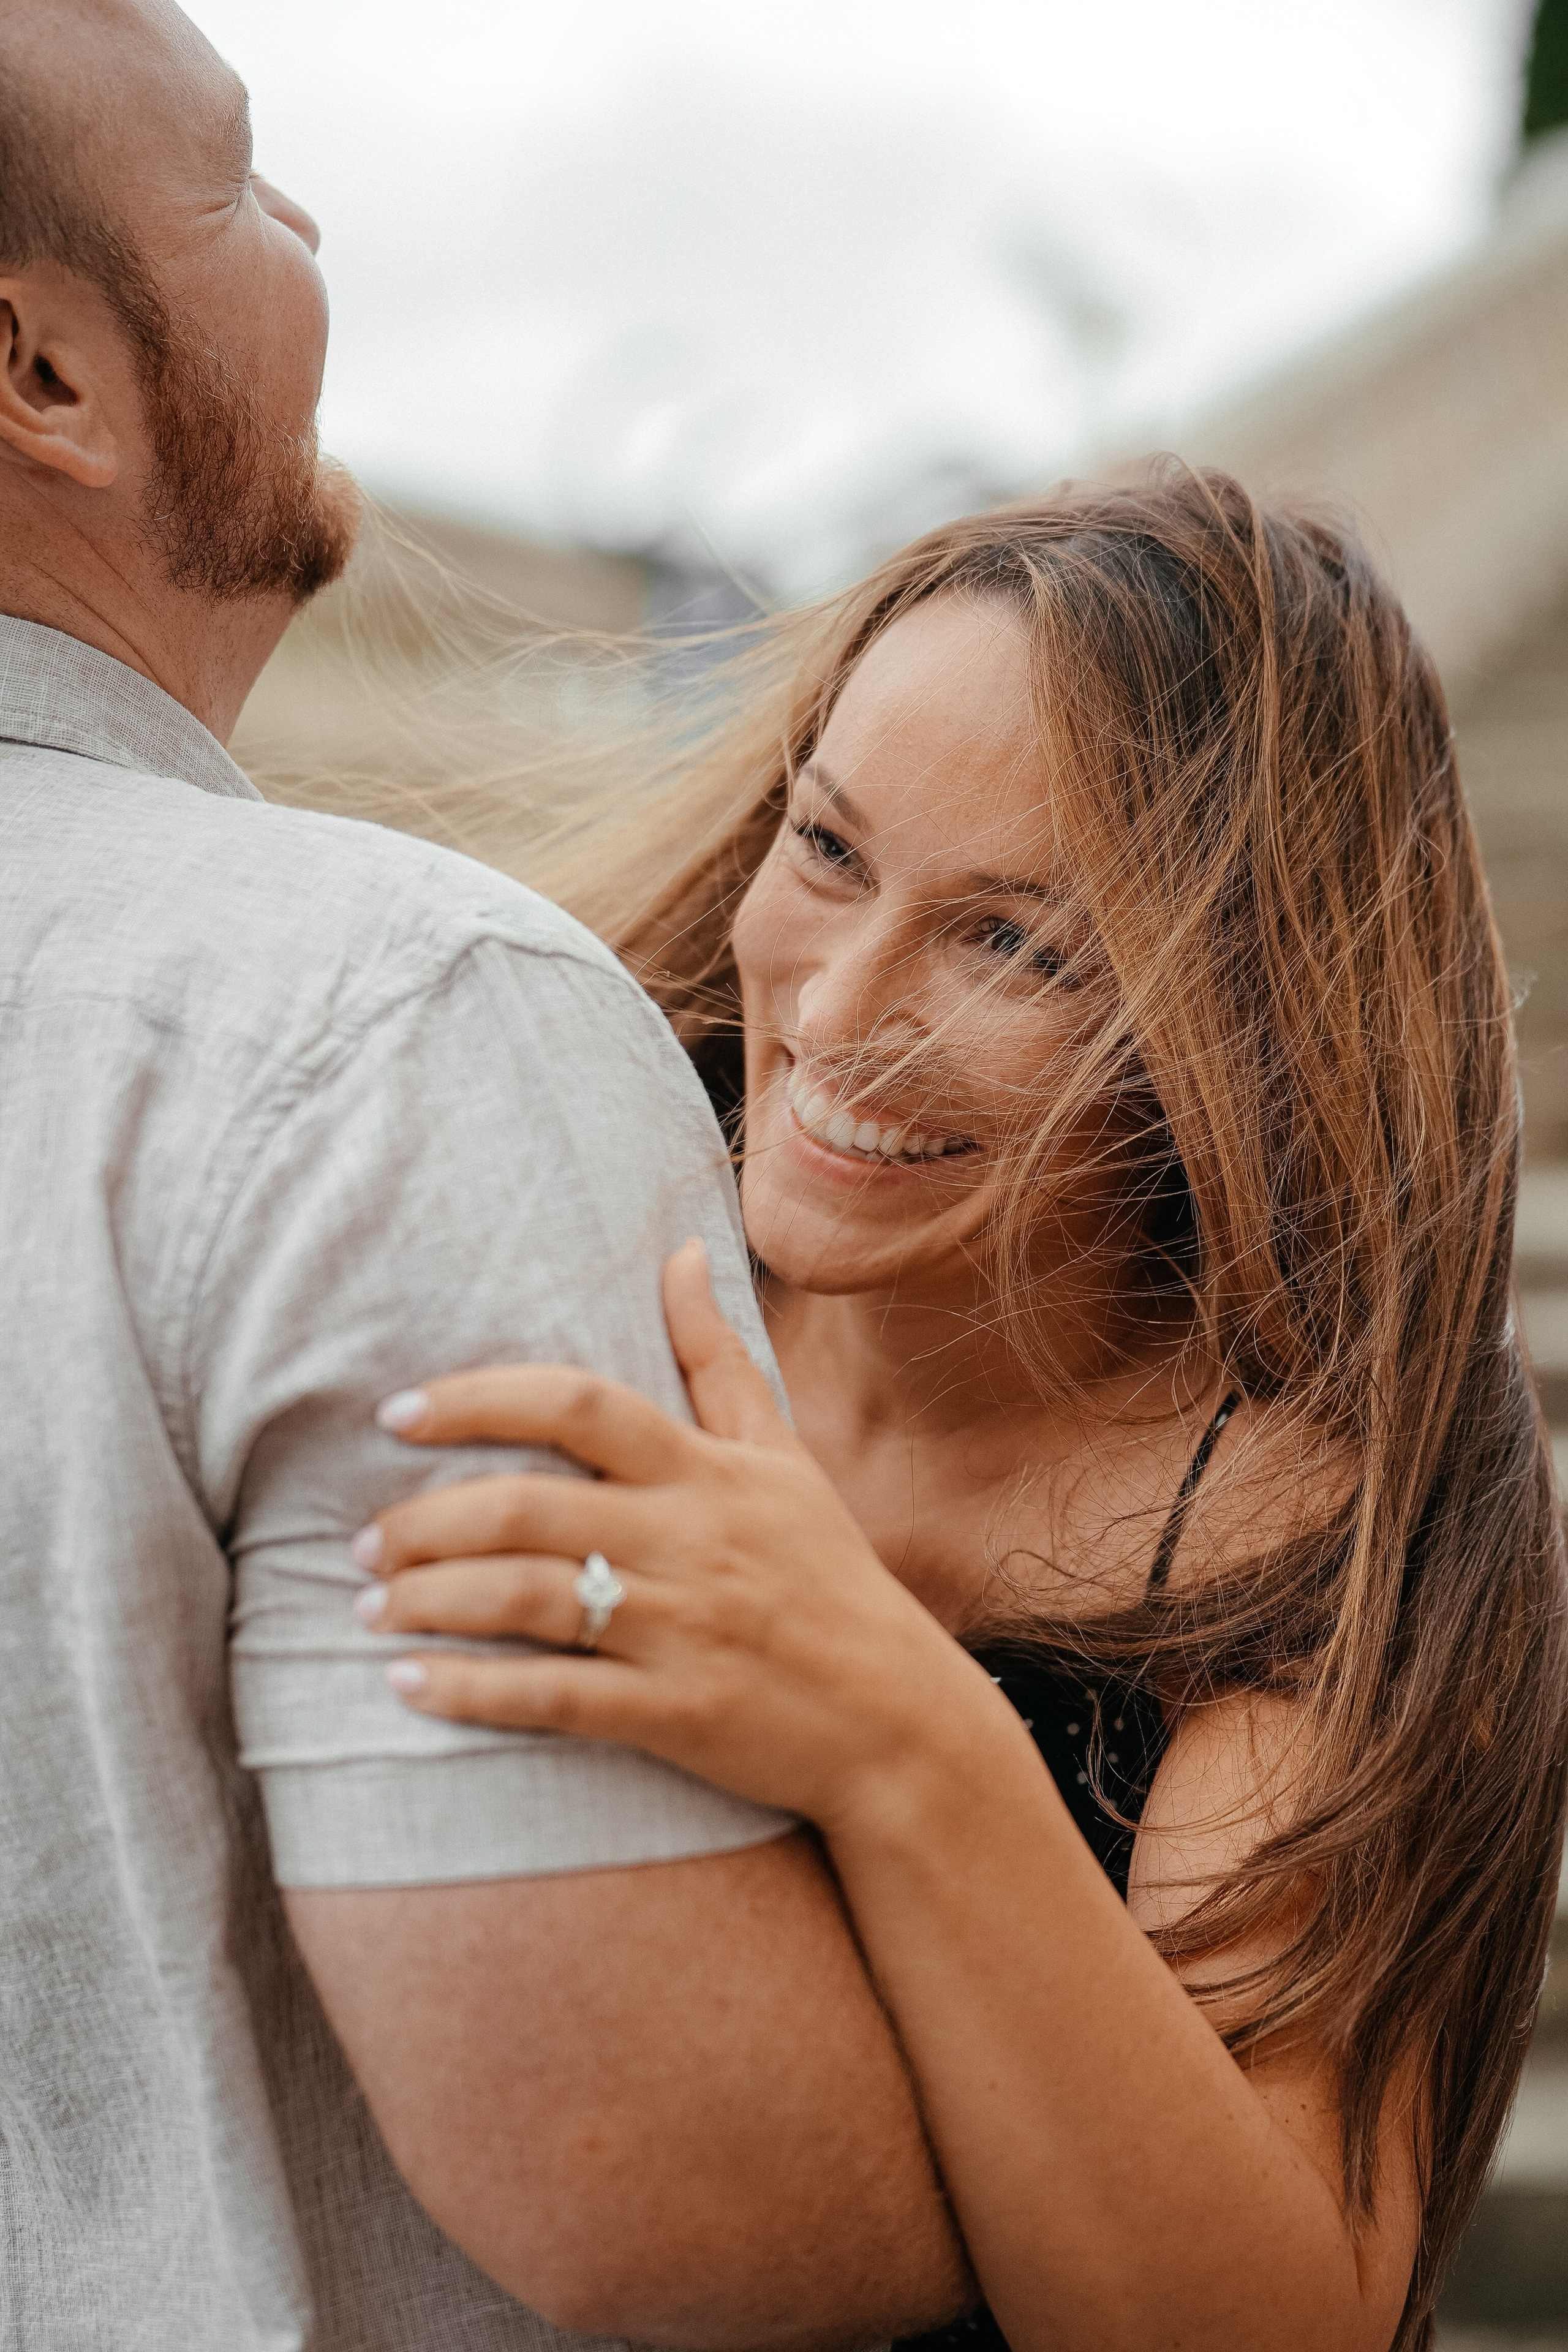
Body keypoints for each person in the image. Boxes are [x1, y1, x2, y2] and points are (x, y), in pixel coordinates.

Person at [0, 5, 979, 2345]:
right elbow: (712, 2223)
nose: (314, 235)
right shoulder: (387, 1024)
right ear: (42, 376)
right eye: (239, 185)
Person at [349, 473, 1568, 2352]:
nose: (834, 1009)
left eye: (1016, 946)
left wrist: (901, 1736)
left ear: (1230, 1029)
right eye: (829, 849)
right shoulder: (567, 1178)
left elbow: (1266, 2322)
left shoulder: (1328, 1501)